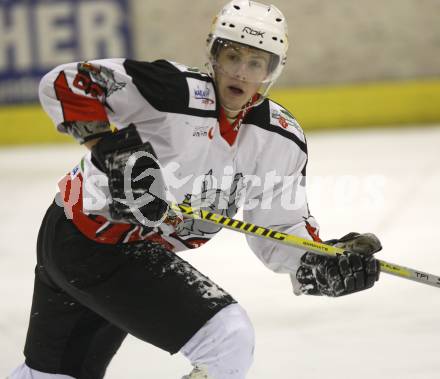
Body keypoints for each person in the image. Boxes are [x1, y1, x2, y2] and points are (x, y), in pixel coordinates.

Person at [9, 1, 382, 378]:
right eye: (232, 55)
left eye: (256, 63)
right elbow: (64, 83)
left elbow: (279, 228)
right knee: (227, 337)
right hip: (86, 239)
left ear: (272, 71)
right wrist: (110, 148)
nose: (240, 71)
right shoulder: (170, 90)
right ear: (214, 55)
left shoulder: (279, 141)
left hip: (108, 247)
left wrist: (319, 262)